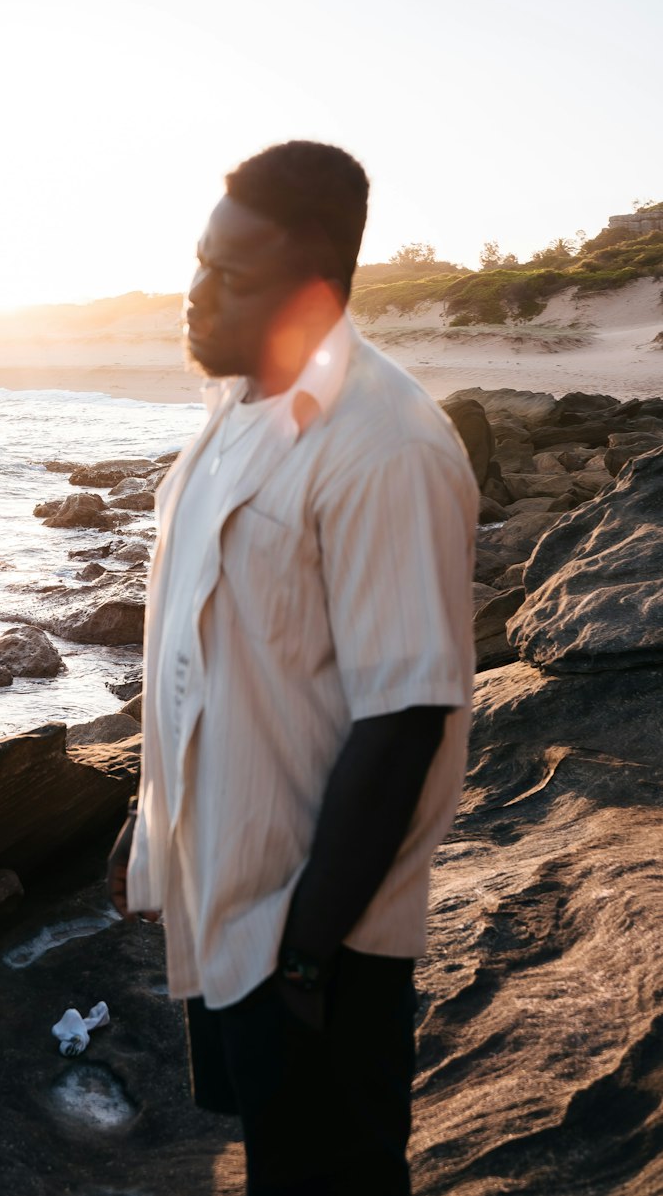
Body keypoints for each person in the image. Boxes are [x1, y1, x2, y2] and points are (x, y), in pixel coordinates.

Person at [107, 139, 478, 1196]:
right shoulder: (234, 411)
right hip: (228, 891)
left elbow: (405, 716)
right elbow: (202, 641)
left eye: (232, 275)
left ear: (312, 287)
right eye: (198, 261)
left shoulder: (384, 444)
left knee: (336, 1173)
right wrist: (149, 823)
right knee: (282, 1162)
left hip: (315, 930)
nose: (194, 295)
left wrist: (308, 956)